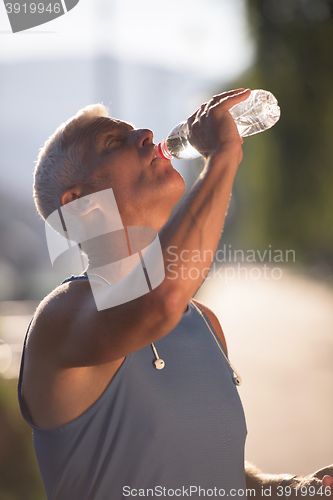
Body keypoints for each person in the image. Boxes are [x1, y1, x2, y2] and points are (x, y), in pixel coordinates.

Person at [18, 89, 332, 500]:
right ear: (80, 205)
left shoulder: (204, 322)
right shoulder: (61, 317)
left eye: (135, 131)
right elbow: (157, 302)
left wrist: (292, 489)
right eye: (113, 142)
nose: (147, 134)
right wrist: (223, 154)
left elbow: (215, 476)